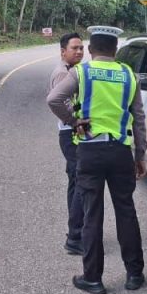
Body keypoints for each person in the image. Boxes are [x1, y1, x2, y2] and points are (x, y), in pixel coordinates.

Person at [47, 25, 147, 294]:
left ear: (90, 51)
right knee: (126, 211)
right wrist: (140, 156)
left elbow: (54, 99)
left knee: (93, 213)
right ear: (116, 51)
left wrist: (74, 121)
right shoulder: (128, 74)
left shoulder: (82, 72)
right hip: (120, 151)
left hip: (90, 151)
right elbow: (138, 118)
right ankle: (134, 274)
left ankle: (93, 278)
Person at [50, 32, 86, 256]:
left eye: (82, 48)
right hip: (70, 134)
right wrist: (75, 120)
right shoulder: (63, 74)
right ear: (63, 51)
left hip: (68, 132)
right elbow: (57, 101)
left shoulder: (73, 71)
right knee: (81, 181)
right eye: (75, 48)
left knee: (75, 180)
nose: (79, 51)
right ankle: (75, 236)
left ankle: (76, 230)